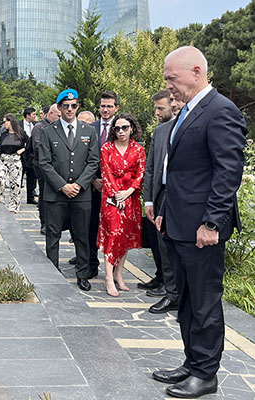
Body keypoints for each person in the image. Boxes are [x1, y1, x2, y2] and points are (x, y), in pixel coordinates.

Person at [152, 46, 247, 399]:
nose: (168, 85)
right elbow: (179, 172)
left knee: (205, 302)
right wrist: (165, 209)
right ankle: (192, 363)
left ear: (196, 72)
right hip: (179, 224)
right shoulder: (188, 111)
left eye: (172, 78)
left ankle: (206, 374)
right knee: (187, 301)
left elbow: (228, 172)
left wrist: (212, 223)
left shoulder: (221, 111)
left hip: (202, 229)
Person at [38, 89, 99, 291]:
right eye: (66, 106)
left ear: (78, 106)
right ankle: (53, 274)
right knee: (53, 235)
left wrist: (79, 185)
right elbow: (44, 163)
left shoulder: (89, 131)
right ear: (59, 108)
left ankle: (83, 274)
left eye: (74, 106)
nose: (70, 109)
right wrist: (63, 185)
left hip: (81, 194)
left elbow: (93, 161)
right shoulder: (48, 131)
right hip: (56, 194)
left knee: (82, 236)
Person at [142, 90, 185, 313]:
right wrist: (149, 200)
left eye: (161, 108)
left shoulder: (188, 127)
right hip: (160, 195)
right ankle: (171, 293)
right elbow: (150, 168)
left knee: (181, 248)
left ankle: (182, 294)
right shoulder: (159, 132)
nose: (157, 112)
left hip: (182, 196)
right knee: (164, 246)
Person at [97, 113, 146, 297]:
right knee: (112, 234)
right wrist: (118, 195)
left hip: (131, 197)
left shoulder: (139, 150)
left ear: (131, 128)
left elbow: (141, 173)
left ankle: (119, 273)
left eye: (125, 127)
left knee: (125, 235)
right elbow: (106, 173)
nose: (121, 131)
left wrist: (128, 192)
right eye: (117, 128)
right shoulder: (107, 148)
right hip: (112, 198)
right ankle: (109, 277)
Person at [73, 91, 120, 276]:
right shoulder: (90, 128)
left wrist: (110, 182)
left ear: (116, 108)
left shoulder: (122, 127)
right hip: (92, 186)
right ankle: (91, 264)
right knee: (90, 226)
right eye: (102, 106)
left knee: (114, 228)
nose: (105, 110)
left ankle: (115, 269)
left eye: (109, 106)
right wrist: (93, 179)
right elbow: (82, 157)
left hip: (115, 188)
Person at [27, 104, 59, 234]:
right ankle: (44, 223)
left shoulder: (58, 127)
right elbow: (37, 147)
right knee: (44, 193)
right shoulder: (39, 127)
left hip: (56, 166)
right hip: (42, 166)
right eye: (58, 115)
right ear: (50, 114)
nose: (60, 118)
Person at [0, 113, 28, 214]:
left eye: (5, 122)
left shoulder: (21, 133)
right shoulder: (4, 134)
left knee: (15, 183)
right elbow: (1, 146)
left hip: (15, 160)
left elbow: (30, 143)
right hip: (3, 159)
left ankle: (14, 206)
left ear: (10, 121)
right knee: (0, 179)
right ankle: (1, 199)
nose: (4, 124)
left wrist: (22, 150)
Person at [20, 107, 38, 204]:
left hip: (31, 154)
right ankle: (16, 197)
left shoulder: (36, 125)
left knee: (32, 176)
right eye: (33, 114)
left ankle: (30, 197)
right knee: (19, 176)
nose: (35, 116)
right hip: (21, 153)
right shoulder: (19, 125)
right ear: (27, 115)